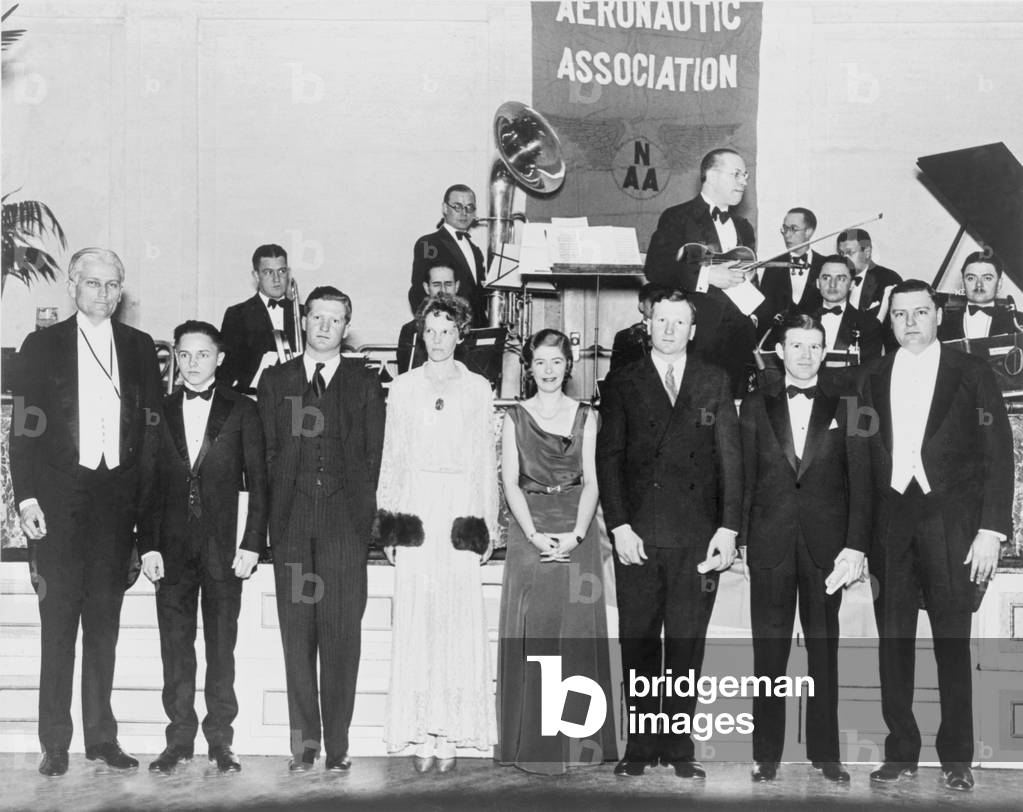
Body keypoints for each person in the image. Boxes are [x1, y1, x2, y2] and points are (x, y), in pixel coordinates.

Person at [9, 247, 162, 776]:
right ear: (73, 285)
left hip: (116, 504)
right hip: (57, 501)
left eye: (111, 284)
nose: (102, 292)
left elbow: (150, 432)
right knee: (58, 625)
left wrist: (146, 513)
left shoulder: (141, 347)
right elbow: (24, 425)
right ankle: (54, 741)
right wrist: (26, 497)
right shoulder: (41, 345)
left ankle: (102, 738)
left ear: (121, 292)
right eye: (92, 283)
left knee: (104, 626)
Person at [856, 280, 1012, 792]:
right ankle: (900, 750)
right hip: (890, 522)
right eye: (899, 315)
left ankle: (957, 755)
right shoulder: (872, 375)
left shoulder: (972, 371)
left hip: (953, 524)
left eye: (920, 312)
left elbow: (998, 454)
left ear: (937, 316)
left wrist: (991, 528)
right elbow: (859, 460)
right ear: (891, 321)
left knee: (952, 640)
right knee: (893, 641)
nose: (910, 322)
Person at [595, 287, 742, 779]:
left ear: (692, 330)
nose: (670, 329)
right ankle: (638, 748)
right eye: (662, 320)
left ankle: (679, 749)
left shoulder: (714, 381)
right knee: (638, 644)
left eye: (680, 322)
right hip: (638, 535)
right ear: (648, 324)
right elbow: (608, 459)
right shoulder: (621, 381)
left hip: (697, 539)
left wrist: (728, 528)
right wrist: (618, 525)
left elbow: (731, 462)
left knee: (685, 646)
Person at [257, 286, 385, 772]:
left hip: (344, 527)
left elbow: (375, 457)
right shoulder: (275, 381)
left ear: (346, 326)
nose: (325, 326)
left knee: (340, 637)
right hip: (291, 524)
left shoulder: (365, 381)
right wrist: (272, 522)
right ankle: (304, 744)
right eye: (317, 317)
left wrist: (362, 522)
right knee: (297, 638)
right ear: (303, 321)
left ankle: (338, 744)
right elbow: (267, 454)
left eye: (335, 319)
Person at [739, 313, 870, 784]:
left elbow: (862, 480)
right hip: (770, 545)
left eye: (814, 346)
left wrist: (855, 544)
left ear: (824, 351)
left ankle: (826, 754)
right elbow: (743, 476)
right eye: (796, 346)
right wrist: (740, 538)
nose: (805, 355)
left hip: (826, 550)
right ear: (781, 351)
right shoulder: (755, 404)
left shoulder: (850, 405)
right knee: (768, 654)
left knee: (824, 653)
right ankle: (765, 754)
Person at [138, 320, 268, 774]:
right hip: (170, 552)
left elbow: (261, 482)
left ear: (221, 358)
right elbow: (146, 485)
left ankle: (221, 741)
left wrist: (252, 543)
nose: (193, 364)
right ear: (175, 355)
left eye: (203, 355)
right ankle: (178, 741)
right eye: (185, 355)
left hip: (223, 551)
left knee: (220, 648)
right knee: (175, 649)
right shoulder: (159, 409)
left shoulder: (243, 410)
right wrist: (148, 546)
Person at [376, 293, 498, 773]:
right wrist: (391, 526)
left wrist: (483, 525)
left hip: (459, 511)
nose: (439, 339)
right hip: (417, 511)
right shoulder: (403, 387)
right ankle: (419, 732)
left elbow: (485, 462)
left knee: (454, 619)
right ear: (420, 334)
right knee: (418, 618)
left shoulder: (478, 388)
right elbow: (393, 456)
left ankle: (449, 734)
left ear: (461, 334)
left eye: (448, 330)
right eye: (431, 330)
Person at [497, 329, 618, 775]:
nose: (548, 371)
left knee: (576, 635)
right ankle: (536, 745)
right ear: (529, 367)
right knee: (537, 634)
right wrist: (531, 534)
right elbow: (509, 481)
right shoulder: (514, 416)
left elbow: (592, 479)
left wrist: (578, 533)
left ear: (569, 366)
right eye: (540, 362)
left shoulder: (587, 415)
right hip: (530, 529)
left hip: (575, 530)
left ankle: (580, 745)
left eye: (556, 362)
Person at [644, 148, 757, 395]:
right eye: (737, 174)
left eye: (745, 175)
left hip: (739, 339)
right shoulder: (677, 217)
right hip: (698, 338)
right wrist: (707, 276)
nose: (744, 182)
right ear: (712, 175)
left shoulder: (744, 227)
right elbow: (655, 268)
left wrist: (753, 315)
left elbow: (748, 276)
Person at [219, 244, 303, 393]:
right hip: (254, 398)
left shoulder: (304, 313)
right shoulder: (237, 315)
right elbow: (229, 370)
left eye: (282, 271)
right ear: (256, 276)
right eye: (268, 272)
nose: (276, 279)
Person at [408, 184, 487, 325]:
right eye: (457, 207)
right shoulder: (428, 243)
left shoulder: (476, 251)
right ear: (445, 208)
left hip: (476, 329)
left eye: (470, 208)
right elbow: (418, 292)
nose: (464, 213)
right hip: (448, 327)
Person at [753, 207, 825, 333]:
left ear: (809, 232)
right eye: (785, 229)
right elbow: (765, 310)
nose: (787, 234)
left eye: (793, 229)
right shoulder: (773, 266)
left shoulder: (824, 265)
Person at [396, 264, 468, 373]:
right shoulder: (410, 331)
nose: (443, 290)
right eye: (436, 284)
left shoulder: (469, 328)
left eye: (448, 284)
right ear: (426, 287)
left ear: (457, 286)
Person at [812, 255, 884, 363]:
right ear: (818, 283)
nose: (832, 284)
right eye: (826, 278)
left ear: (852, 284)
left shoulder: (869, 325)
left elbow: (870, 371)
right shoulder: (798, 319)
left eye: (841, 278)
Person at [937, 251, 1021, 340]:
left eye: (987, 278)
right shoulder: (943, 323)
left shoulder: (1018, 320)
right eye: (971, 278)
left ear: (999, 283)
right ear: (963, 283)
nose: (979, 284)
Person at [836, 228, 901, 320]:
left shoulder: (888, 278)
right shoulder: (835, 279)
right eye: (841, 254)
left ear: (867, 252)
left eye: (850, 252)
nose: (844, 259)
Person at [609, 283, 662, 374]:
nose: (657, 306)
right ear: (641, 306)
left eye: (661, 302)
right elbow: (616, 374)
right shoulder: (624, 336)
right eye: (653, 301)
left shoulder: (674, 332)